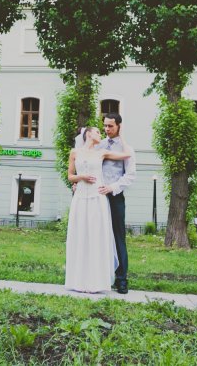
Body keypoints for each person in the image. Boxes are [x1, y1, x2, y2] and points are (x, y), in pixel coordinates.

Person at [65, 126, 132, 293]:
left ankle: (96, 281)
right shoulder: (75, 152)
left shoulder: (101, 153)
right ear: (88, 134)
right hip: (81, 197)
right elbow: (70, 176)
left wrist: (121, 135)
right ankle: (78, 280)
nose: (101, 134)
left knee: (96, 237)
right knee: (80, 235)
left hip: (97, 197)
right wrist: (81, 177)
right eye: (97, 132)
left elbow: (127, 154)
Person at [98, 112, 135, 294]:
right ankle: (99, 276)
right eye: (105, 125)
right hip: (97, 196)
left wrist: (112, 188)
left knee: (118, 236)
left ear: (119, 126)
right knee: (97, 235)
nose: (107, 129)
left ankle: (121, 279)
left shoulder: (126, 148)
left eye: (110, 126)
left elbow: (130, 175)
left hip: (115, 196)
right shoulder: (99, 145)